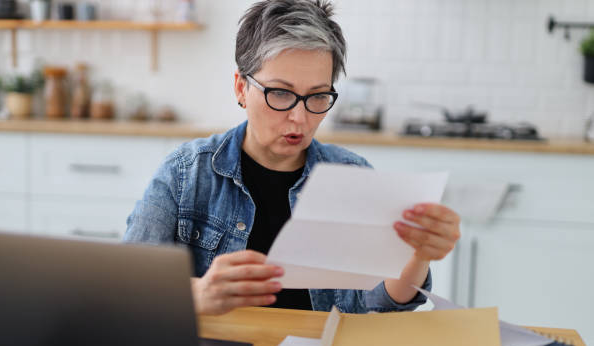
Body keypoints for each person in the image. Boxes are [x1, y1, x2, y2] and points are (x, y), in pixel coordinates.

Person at [123, 0, 460, 316]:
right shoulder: (186, 173)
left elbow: (376, 305)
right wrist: (196, 294)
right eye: (280, 93)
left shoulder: (352, 176)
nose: (300, 117)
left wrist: (419, 255)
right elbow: (126, 288)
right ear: (241, 88)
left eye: (317, 96)